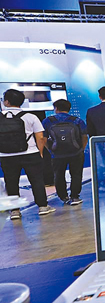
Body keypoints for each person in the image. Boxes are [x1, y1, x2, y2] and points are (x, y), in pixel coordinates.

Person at [0, 89, 54, 219]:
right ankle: (43, 207)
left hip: (6, 156)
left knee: (11, 182)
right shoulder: (30, 116)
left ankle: (15, 211)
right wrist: (40, 152)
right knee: (36, 180)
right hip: (30, 153)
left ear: (6, 102)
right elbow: (40, 137)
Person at [42, 99, 88, 206]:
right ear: (69, 108)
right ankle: (75, 196)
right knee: (76, 174)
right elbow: (84, 136)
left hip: (57, 154)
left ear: (56, 108)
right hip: (76, 152)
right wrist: (81, 149)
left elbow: (43, 138)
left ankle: (63, 197)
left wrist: (50, 149)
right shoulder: (77, 120)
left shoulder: (48, 121)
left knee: (58, 175)